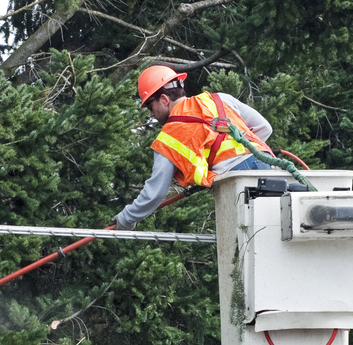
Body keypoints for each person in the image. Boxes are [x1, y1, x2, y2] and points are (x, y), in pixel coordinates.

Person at [115, 65, 277, 231]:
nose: (151, 114)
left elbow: (155, 191)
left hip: (237, 183)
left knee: (250, 245)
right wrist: (244, 155)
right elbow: (264, 128)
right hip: (268, 168)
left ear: (164, 99)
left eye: (150, 107)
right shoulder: (218, 99)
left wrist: (127, 218)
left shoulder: (169, 135)